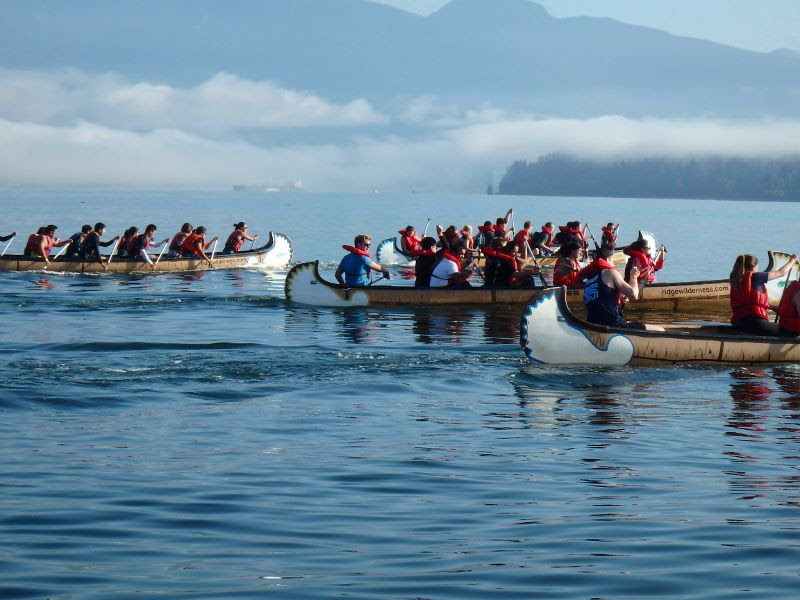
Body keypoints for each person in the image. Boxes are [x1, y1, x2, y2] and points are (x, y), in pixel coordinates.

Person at [730, 253, 797, 336]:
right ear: (753, 266)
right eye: (757, 266)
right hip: (755, 323)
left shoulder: (736, 280)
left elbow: (750, 302)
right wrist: (792, 260)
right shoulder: (757, 276)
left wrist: (773, 307)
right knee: (791, 332)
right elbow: (781, 272)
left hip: (738, 323)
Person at [582, 246, 644, 328]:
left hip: (593, 325)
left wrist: (620, 298)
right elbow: (634, 296)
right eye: (613, 260)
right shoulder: (610, 273)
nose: (614, 264)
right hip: (612, 325)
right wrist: (633, 276)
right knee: (659, 329)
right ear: (608, 260)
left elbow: (602, 298)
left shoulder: (589, 280)